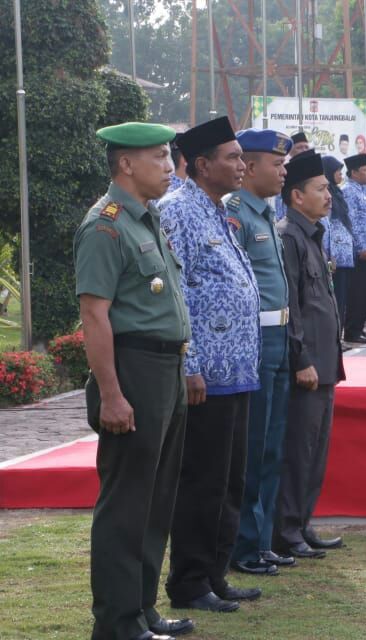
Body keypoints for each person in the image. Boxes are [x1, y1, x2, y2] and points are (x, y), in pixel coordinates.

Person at [78, 122, 194, 640]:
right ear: (126, 164)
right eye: (160, 157)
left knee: (157, 497)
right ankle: (119, 622)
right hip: (133, 370)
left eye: (169, 157)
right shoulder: (106, 225)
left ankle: (143, 609)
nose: (170, 167)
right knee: (127, 502)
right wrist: (111, 393)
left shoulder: (147, 220)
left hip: (165, 368)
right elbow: (95, 316)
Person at [159, 116, 262, 613]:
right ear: (202, 165)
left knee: (229, 480)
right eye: (233, 157)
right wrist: (189, 362)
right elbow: (174, 293)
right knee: (202, 480)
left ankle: (215, 573)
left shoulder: (217, 209)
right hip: (206, 374)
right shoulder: (178, 210)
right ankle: (189, 581)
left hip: (237, 369)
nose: (242, 165)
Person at [225, 128, 297, 577]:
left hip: (279, 337)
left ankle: (263, 538)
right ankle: (244, 543)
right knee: (252, 447)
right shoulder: (237, 213)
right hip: (254, 339)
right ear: (250, 168)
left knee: (272, 445)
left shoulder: (266, 213)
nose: (284, 171)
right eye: (277, 164)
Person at [274, 151, 346, 558]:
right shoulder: (288, 236)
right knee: (297, 451)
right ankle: (286, 531)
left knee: (316, 451)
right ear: (297, 196)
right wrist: (299, 358)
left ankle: (302, 522)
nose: (328, 195)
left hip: (325, 361)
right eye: (320, 189)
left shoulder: (313, 234)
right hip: (307, 363)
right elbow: (291, 305)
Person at [341, 153, 366, 343]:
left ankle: (360, 328)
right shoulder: (349, 190)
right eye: (365, 170)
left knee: (365, 293)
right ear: (354, 172)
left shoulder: (362, 191)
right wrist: (361, 245)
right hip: (360, 252)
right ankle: (352, 331)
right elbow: (352, 221)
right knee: (357, 293)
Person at [320, 155, 355, 325]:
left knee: (343, 298)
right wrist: (329, 254)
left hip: (345, 257)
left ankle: (339, 337)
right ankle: (336, 338)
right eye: (337, 172)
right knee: (335, 299)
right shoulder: (326, 195)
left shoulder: (337, 192)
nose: (341, 175)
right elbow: (326, 226)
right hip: (334, 257)